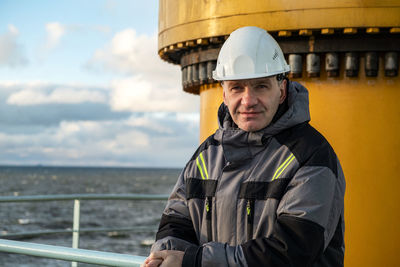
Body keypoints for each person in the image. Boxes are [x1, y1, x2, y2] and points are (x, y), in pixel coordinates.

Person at [142, 26, 345, 267]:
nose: (248, 100)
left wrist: (194, 262)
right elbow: (176, 221)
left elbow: (293, 251)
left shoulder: (311, 155)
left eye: (261, 86)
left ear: (281, 90)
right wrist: (165, 255)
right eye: (237, 87)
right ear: (225, 95)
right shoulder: (206, 157)